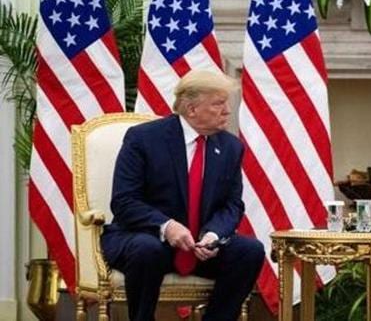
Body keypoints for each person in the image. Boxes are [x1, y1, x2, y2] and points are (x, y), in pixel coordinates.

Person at [101, 70, 265, 321]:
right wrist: (167, 227)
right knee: (148, 250)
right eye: (218, 104)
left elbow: (232, 205)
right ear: (191, 109)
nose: (227, 111)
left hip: (199, 246)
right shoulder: (144, 139)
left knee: (250, 250)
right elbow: (124, 201)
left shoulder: (231, 147)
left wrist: (213, 235)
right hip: (145, 238)